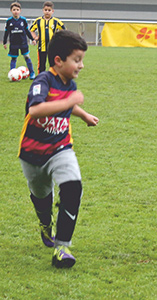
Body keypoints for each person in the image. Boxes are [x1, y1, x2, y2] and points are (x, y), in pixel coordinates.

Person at [19, 30, 99, 268]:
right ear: (58, 61)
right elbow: (35, 110)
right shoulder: (42, 81)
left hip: (61, 148)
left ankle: (62, 247)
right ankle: (46, 224)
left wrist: (83, 115)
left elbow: (67, 103)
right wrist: (70, 102)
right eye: (77, 59)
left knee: (73, 188)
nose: (81, 65)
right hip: (33, 154)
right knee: (42, 198)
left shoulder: (69, 84)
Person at [30, 1, 66, 74]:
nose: (47, 12)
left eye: (49, 10)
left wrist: (59, 39)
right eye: (45, 10)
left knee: (53, 64)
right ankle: (41, 78)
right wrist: (35, 37)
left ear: (52, 11)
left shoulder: (56, 21)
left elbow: (64, 31)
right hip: (41, 46)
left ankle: (53, 78)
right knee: (41, 65)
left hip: (53, 47)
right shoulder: (38, 20)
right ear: (43, 10)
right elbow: (31, 30)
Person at [2, 2, 36, 79]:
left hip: (23, 43)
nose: (16, 11)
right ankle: (12, 74)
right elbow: (7, 32)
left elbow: (27, 31)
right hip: (13, 44)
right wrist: (4, 42)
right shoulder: (9, 21)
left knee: (27, 57)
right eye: (14, 9)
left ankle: (32, 73)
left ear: (20, 10)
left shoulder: (23, 20)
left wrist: (32, 39)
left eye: (17, 9)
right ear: (11, 10)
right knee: (13, 58)